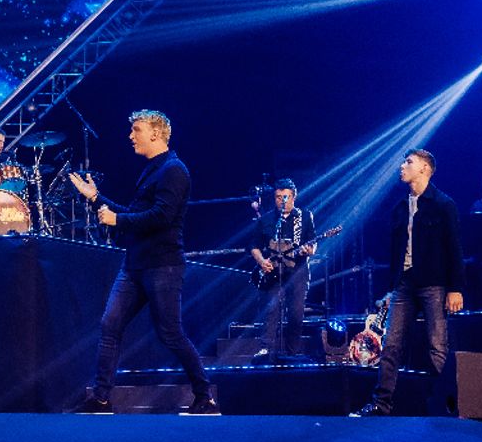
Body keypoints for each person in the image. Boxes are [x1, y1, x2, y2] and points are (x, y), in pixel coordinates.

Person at [67, 110, 217, 415]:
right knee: (110, 325)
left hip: (163, 265)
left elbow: (162, 217)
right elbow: (134, 213)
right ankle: (101, 398)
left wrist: (118, 220)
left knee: (170, 333)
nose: (130, 136)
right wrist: (96, 198)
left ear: (156, 133)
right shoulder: (153, 169)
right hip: (135, 265)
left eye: (136, 130)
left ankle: (205, 397)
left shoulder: (174, 170)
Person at [352, 149, 464, 417]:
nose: (402, 166)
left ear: (425, 168)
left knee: (437, 345)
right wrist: (390, 288)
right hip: (404, 284)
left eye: (409, 162)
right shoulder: (400, 208)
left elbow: (454, 248)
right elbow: (394, 253)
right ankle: (381, 404)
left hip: (434, 283)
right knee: (391, 344)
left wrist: (455, 288)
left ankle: (444, 405)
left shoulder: (443, 204)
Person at [250, 178, 316, 362]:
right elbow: (253, 245)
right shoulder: (265, 220)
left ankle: (292, 353)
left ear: (294, 197)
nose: (282, 201)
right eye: (278, 197)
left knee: (296, 313)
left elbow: (313, 243)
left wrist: (309, 250)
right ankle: (265, 350)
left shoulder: (305, 216)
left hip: (298, 271)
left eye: (285, 197)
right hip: (273, 272)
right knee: (271, 309)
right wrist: (262, 261)